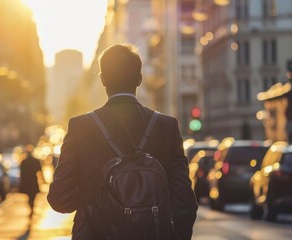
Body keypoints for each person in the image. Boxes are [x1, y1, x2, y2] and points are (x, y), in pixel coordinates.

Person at [47, 44, 198, 239]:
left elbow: (60, 199)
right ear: (139, 79)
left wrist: (93, 196)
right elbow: (184, 202)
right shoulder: (166, 127)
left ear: (103, 80)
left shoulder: (81, 127)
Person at [19, 144, 43, 217]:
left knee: (30, 196)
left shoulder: (24, 162)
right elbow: (40, 171)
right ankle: (32, 206)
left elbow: (21, 173)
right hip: (32, 181)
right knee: (32, 195)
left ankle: (31, 206)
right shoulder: (34, 161)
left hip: (27, 181)